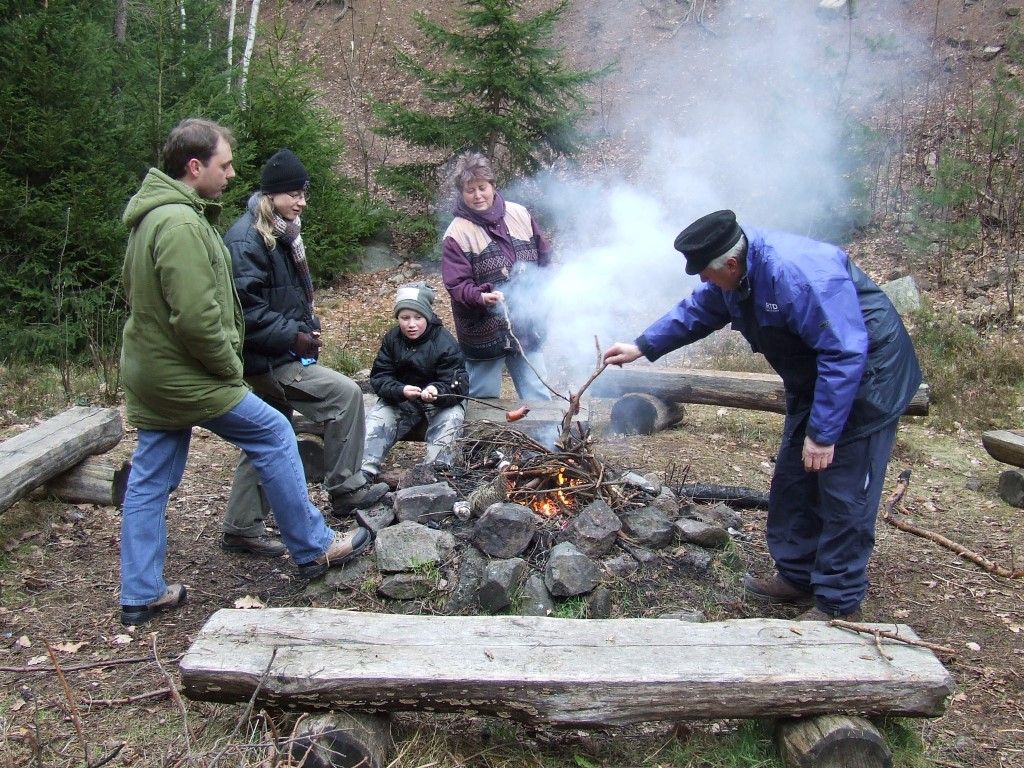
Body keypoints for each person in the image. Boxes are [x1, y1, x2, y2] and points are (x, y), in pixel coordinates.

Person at [603, 209, 922, 621]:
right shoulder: (737, 266)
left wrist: (824, 434)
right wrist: (642, 345)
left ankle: (839, 603)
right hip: (817, 377)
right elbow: (700, 309)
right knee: (794, 475)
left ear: (731, 264)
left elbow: (845, 351)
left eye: (705, 272)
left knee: (844, 491)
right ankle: (797, 575)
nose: (702, 280)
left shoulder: (797, 276)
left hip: (865, 380)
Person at [118, 120, 370, 626]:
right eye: (225, 164)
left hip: (152, 369)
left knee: (150, 477)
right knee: (275, 429)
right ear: (195, 167)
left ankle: (140, 592)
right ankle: (314, 547)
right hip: (184, 374)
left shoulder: (154, 216)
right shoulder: (182, 225)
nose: (233, 174)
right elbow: (196, 317)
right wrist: (227, 367)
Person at [222, 149, 389, 545]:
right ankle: (347, 489)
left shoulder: (280, 234)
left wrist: (307, 326)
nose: (302, 202)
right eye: (294, 194)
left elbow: (286, 299)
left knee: (266, 434)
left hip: (277, 351)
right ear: (273, 195)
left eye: (304, 193)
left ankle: (241, 526)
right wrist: (294, 337)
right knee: (346, 395)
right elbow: (248, 312)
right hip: (265, 361)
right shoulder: (248, 240)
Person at [441, 151, 552, 401]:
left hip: (525, 323)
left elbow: (544, 256)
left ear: (493, 185)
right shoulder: (456, 234)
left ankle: (544, 440)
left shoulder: (520, 214)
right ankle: (482, 441)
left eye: (482, 187)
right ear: (462, 193)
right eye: (470, 190)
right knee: (483, 399)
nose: (478, 195)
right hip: (482, 329)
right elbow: (457, 284)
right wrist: (482, 297)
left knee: (538, 394)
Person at [361, 283, 468, 478]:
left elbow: (459, 384)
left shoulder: (444, 342)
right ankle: (364, 471)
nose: (411, 324)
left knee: (451, 421)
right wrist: (400, 390)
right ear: (397, 318)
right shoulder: (392, 339)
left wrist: (437, 391)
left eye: (418, 318)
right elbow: (379, 377)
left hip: (441, 403)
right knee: (375, 422)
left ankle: (436, 472)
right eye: (405, 318)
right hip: (402, 401)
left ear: (427, 316)